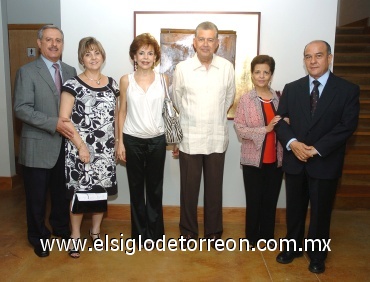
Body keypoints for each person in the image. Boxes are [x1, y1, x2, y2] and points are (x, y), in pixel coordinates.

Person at [275, 40, 360, 273]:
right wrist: (293, 144)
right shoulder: (292, 88)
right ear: (304, 60)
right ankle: (292, 247)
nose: (313, 61)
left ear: (329, 58)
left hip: (325, 161)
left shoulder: (347, 90)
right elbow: (280, 121)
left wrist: (315, 148)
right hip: (295, 160)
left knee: (321, 212)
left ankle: (317, 254)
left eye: (319, 55)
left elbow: (347, 126)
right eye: (308, 56)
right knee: (294, 208)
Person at [13, 25, 77, 257]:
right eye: (48, 40)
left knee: (62, 193)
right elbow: (22, 109)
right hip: (38, 145)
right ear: (39, 43)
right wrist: (54, 123)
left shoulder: (70, 71)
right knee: (37, 197)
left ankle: (60, 228)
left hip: (65, 146)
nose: (54, 44)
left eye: (58, 40)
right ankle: (38, 236)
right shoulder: (27, 71)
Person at [172, 21, 235, 246]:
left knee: (214, 189)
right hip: (190, 137)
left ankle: (213, 231)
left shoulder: (227, 68)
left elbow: (228, 99)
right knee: (188, 190)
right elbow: (177, 100)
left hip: (217, 136)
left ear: (217, 43)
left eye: (210, 39)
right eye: (201, 39)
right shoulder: (183, 69)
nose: (206, 44)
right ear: (194, 42)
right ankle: (188, 230)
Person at [59, 37, 119, 258]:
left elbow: (115, 119)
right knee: (80, 195)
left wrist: (119, 142)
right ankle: (75, 235)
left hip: (105, 151)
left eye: (97, 53)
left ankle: (95, 232)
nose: (93, 58)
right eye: (88, 54)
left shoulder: (112, 84)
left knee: (99, 195)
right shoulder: (72, 84)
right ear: (81, 59)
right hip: (79, 150)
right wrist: (82, 147)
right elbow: (64, 119)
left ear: (102, 56)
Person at [116, 33, 167, 246]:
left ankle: (155, 235)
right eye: (141, 53)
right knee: (136, 189)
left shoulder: (164, 80)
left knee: (155, 189)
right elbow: (121, 112)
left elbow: (168, 111)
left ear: (155, 57)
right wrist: (119, 142)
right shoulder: (126, 80)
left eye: (150, 53)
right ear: (134, 56)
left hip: (157, 140)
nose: (146, 57)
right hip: (132, 139)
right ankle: (138, 235)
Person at [234, 55, 283, 248]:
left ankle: (268, 236)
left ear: (271, 75)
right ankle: (252, 238)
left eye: (266, 72)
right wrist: (266, 129)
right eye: (257, 72)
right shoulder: (246, 100)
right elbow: (240, 129)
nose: (261, 76)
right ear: (252, 75)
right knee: (254, 200)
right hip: (252, 160)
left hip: (277, 159)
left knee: (270, 201)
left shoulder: (279, 99)